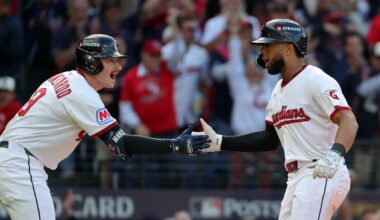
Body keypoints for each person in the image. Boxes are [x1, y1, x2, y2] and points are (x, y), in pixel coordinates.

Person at [0, 34, 210, 220]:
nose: (118, 67)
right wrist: (175, 145)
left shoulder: (65, 78)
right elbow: (122, 143)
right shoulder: (82, 92)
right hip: (20, 164)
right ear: (91, 63)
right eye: (111, 60)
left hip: (12, 159)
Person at [194, 19, 358, 219]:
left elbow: (349, 120)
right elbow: (269, 139)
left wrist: (335, 154)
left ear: (289, 48)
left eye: (268, 45)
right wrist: (221, 142)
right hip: (296, 177)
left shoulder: (316, 79)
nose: (262, 51)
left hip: (320, 170)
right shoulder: (278, 90)